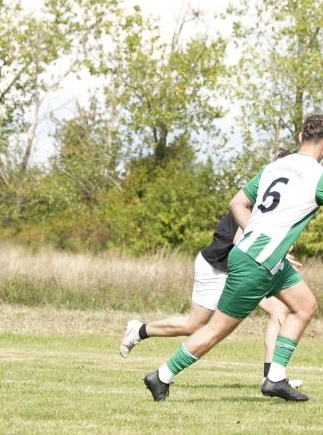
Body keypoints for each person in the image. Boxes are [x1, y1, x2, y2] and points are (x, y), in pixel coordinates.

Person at [143, 113, 323, 403]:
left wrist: (255, 234)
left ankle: (275, 378)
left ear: (301, 137)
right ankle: (162, 376)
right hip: (256, 264)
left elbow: (237, 203)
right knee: (216, 329)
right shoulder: (321, 177)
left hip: (265, 259)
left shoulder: (275, 166)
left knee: (305, 305)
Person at [119, 147, 302, 384]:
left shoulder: (278, 202)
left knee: (279, 310)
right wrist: (279, 254)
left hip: (244, 270)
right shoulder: (259, 198)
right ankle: (139, 330)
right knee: (194, 325)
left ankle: (273, 378)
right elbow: (240, 240)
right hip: (216, 266)